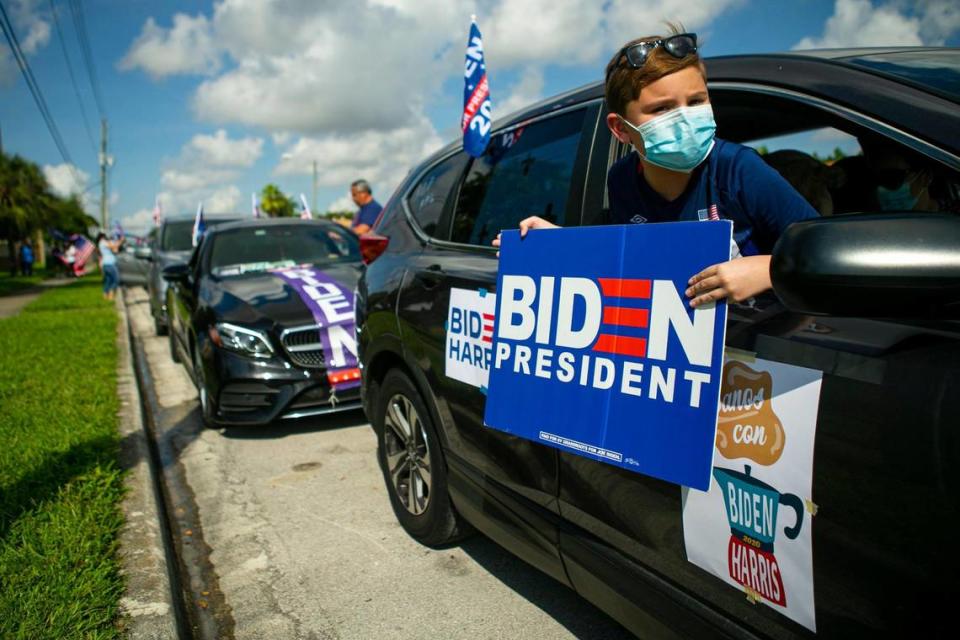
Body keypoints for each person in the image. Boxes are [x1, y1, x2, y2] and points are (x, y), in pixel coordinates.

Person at [494, 29, 818, 308]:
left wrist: (768, 269)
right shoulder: (621, 180)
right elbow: (627, 261)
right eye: (661, 108)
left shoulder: (738, 169)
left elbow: (822, 250)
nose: (684, 118)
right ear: (620, 130)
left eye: (695, 102)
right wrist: (560, 243)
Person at [96, 232, 122, 301]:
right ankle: (111, 294)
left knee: (108, 281)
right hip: (109, 263)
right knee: (116, 279)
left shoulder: (102, 243)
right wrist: (121, 240)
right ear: (103, 237)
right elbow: (114, 247)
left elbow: (115, 250)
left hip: (106, 263)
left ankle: (105, 296)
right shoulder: (103, 242)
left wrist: (114, 243)